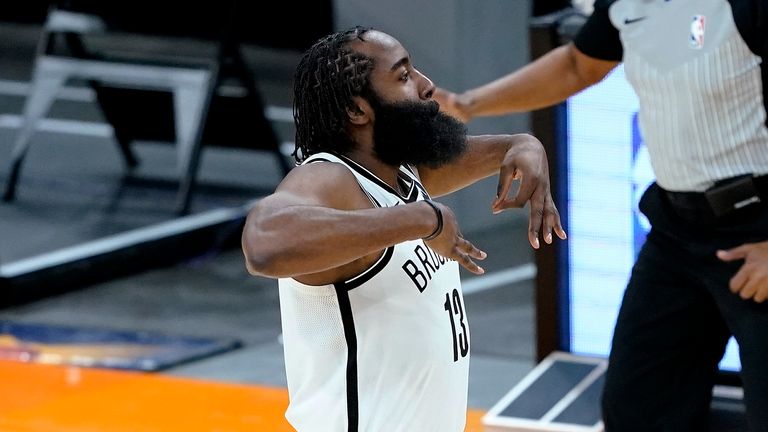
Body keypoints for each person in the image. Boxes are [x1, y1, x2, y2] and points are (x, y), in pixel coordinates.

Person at [435, 1, 768, 431]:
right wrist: (467, 104)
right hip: (676, 231)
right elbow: (578, 64)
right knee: (637, 408)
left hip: (758, 230)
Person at [240, 26, 566, 432]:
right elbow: (263, 243)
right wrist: (425, 219)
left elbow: (489, 152)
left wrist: (523, 144)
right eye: (404, 76)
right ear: (358, 110)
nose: (428, 86)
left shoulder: (401, 173)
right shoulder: (330, 179)